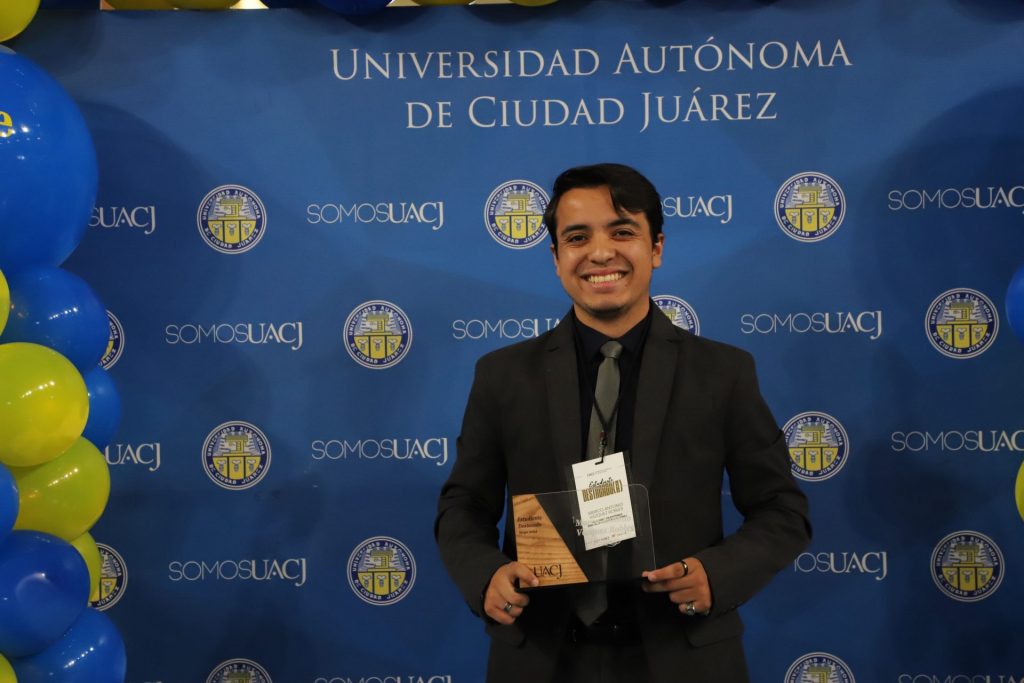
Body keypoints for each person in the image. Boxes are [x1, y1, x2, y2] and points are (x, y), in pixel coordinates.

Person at [435, 163, 811, 682]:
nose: (600, 253)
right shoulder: (503, 375)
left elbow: (782, 510)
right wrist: (486, 576)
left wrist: (715, 575)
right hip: (541, 658)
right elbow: (463, 506)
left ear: (656, 248)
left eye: (622, 232)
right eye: (577, 237)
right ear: (556, 258)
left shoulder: (723, 373)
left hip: (683, 658)